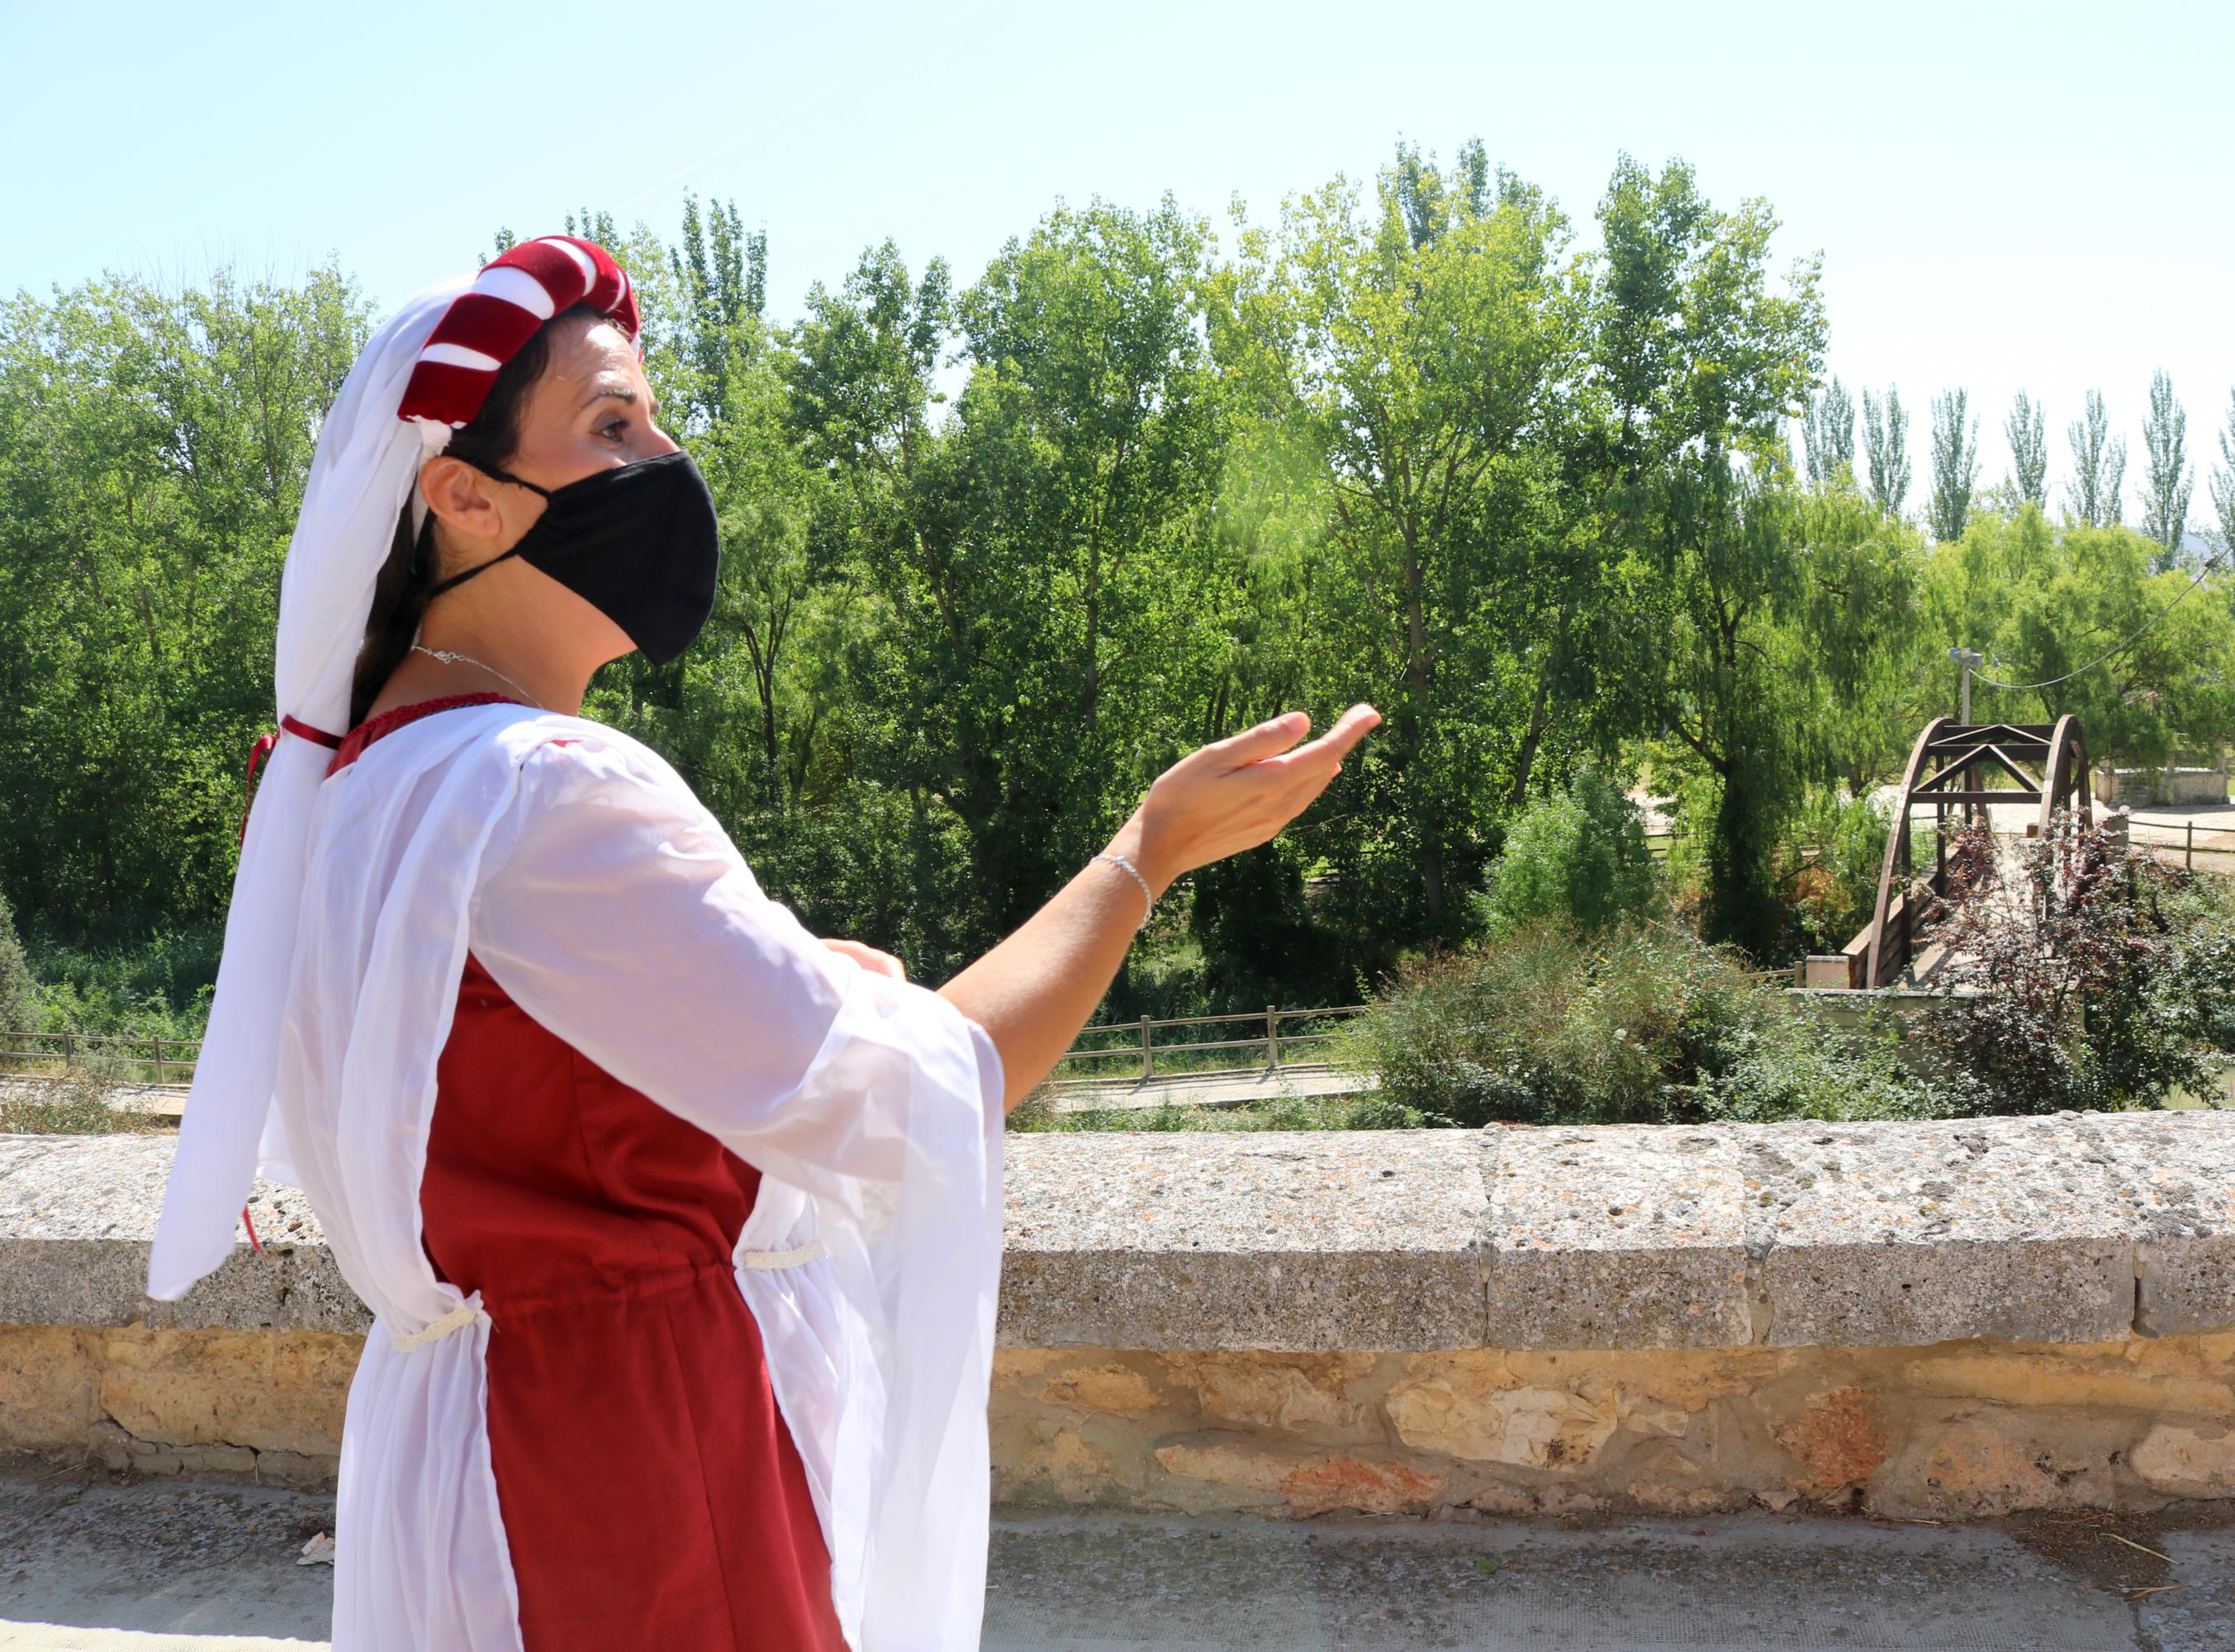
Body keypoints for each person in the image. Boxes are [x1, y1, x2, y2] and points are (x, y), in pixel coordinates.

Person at [144, 234, 1378, 1652]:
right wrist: (1145, 853)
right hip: (638, 1466)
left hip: (467, 1446)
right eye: (613, 425)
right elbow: (933, 1086)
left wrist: (799, 978)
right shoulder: (542, 787)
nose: (666, 458)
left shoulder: (356, 787)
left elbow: (541, 1070)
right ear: (465, 498)